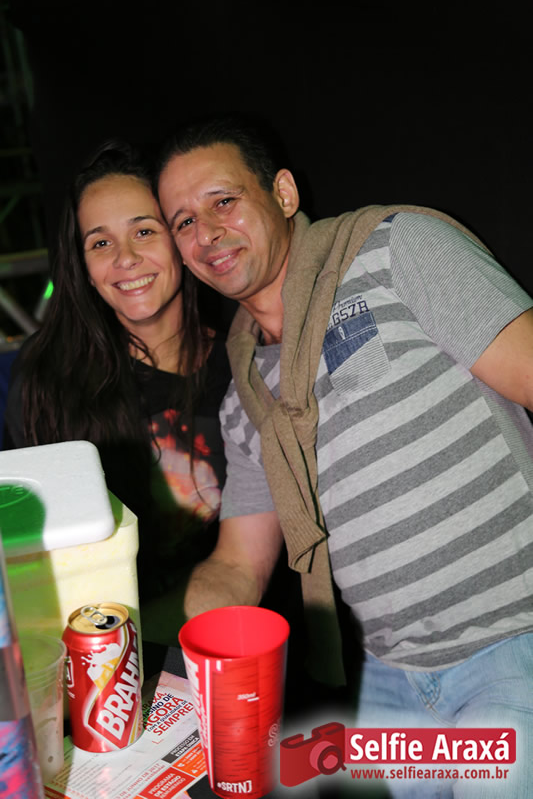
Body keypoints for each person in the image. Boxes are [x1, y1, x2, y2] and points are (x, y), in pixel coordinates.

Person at [156, 115, 533, 797]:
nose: (205, 232)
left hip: (512, 642)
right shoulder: (246, 390)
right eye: (183, 221)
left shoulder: (393, 250)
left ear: (283, 193)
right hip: (395, 683)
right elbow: (238, 563)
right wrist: (182, 660)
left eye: (223, 201)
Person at [3, 141, 232, 640]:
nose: (126, 258)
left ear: (180, 237)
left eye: (144, 231)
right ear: (83, 267)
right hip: (95, 657)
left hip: (224, 642)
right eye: (100, 243)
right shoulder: (47, 379)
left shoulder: (244, 364)